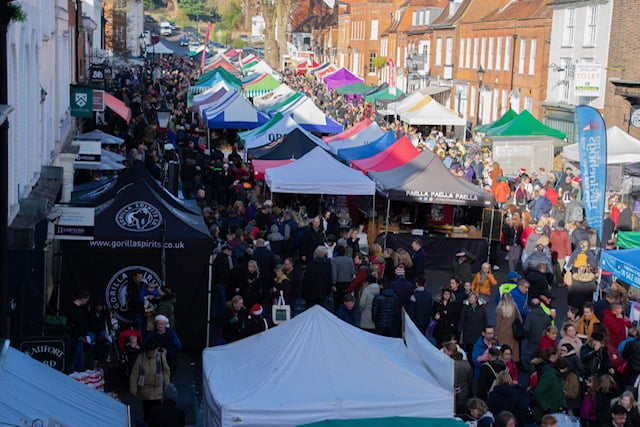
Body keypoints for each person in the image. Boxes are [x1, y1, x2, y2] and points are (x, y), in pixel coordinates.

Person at [129, 340, 170, 422]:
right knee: (147, 415)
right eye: (149, 351)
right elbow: (134, 373)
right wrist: (133, 389)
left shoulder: (161, 357)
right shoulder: (141, 357)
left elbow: (166, 371)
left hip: (157, 392)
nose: (151, 353)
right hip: (145, 392)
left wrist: (167, 386)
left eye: (152, 351)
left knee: (157, 415)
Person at [533, 357, 568, 422]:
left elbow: (561, 392)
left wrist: (564, 405)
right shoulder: (549, 376)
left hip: (554, 413)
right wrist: (545, 408)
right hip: (544, 414)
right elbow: (538, 392)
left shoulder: (559, 376)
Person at [443, 341, 472, 414]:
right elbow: (470, 380)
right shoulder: (466, 364)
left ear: (450, 352)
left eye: (444, 351)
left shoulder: (448, 365)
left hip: (450, 395)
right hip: (463, 394)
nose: (443, 353)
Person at [458, 292, 488, 358]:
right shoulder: (465, 307)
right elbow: (462, 320)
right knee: (469, 351)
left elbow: (485, 320)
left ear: (476, 299)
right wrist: (460, 330)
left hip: (478, 332)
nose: (470, 299)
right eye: (469, 297)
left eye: (472, 298)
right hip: (468, 333)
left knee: (478, 351)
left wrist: (485, 330)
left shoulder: (481, 308)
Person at [523, 298, 552, 366]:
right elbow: (550, 328)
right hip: (544, 342)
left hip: (533, 341)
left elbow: (526, 329)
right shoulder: (546, 316)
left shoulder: (530, 315)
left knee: (530, 361)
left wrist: (527, 337)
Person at [496, 293, 521, 363]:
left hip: (502, 332)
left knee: (503, 349)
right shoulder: (514, 307)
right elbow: (520, 320)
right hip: (513, 332)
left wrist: (496, 334)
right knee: (513, 349)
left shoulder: (500, 309)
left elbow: (498, 323)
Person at [331, 245, 355, 311]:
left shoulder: (335, 260)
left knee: (337, 303)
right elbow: (353, 271)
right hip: (348, 283)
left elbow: (334, 273)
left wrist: (333, 283)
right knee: (347, 301)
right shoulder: (350, 260)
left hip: (338, 283)